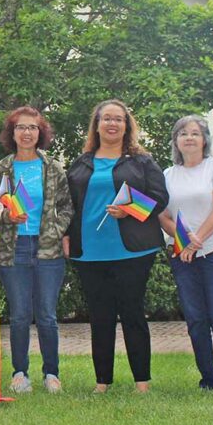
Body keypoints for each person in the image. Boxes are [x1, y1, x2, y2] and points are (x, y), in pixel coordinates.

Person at [66, 99, 167, 394]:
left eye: (118, 119)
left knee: (133, 313)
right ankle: (102, 382)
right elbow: (69, 204)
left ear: (127, 125)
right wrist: (66, 237)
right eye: (106, 119)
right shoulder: (81, 163)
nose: (112, 124)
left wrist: (130, 209)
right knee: (100, 317)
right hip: (90, 252)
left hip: (132, 251)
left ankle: (142, 382)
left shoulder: (141, 161)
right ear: (96, 125)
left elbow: (160, 197)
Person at [158, 116, 213, 392]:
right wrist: (183, 241)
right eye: (182, 133)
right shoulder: (167, 175)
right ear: (175, 141)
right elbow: (163, 214)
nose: (189, 138)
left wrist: (196, 241)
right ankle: (208, 379)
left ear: (204, 140)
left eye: (195, 133)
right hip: (182, 255)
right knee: (196, 320)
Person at [0, 106, 72, 394]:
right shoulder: (1, 169)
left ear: (41, 133)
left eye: (32, 128)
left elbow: (66, 207)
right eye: (21, 127)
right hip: (14, 249)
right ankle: (19, 373)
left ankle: (52, 373)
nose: (27, 133)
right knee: (19, 315)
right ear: (12, 133)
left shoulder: (52, 167)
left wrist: (55, 231)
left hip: (47, 248)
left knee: (47, 315)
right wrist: (6, 217)